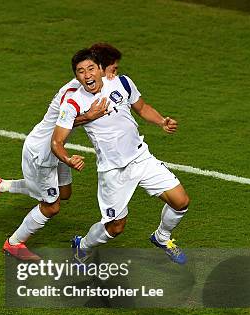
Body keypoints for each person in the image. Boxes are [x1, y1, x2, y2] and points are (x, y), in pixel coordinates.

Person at [0, 43, 122, 261]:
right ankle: (14, 243)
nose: (116, 74)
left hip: (57, 149)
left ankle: (0, 185)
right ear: (103, 67)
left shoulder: (94, 83)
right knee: (51, 206)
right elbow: (60, 131)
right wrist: (89, 118)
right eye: (114, 69)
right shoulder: (73, 94)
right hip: (44, 153)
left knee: (64, 193)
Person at [51, 48, 190, 264]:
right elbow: (56, 142)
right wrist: (68, 159)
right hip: (113, 170)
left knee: (180, 202)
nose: (87, 75)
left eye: (91, 69)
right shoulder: (73, 103)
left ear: (100, 69)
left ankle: (161, 237)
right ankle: (82, 246)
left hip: (140, 157)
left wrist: (162, 121)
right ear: (76, 77)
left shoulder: (122, 82)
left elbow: (142, 108)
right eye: (81, 71)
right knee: (116, 227)